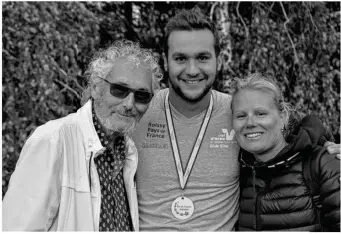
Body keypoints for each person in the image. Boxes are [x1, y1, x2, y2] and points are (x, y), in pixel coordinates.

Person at [131, 8, 340, 231]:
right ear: (165, 61)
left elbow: (297, 132)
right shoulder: (136, 110)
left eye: (203, 58)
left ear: (218, 61)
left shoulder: (237, 110)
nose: (192, 70)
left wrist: (329, 148)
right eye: (180, 58)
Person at [2, 40, 163, 231]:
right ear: (95, 87)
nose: (129, 104)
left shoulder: (128, 153)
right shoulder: (53, 140)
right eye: (119, 90)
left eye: (142, 96)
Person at [231, 73, 340, 231]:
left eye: (260, 113)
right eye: (241, 115)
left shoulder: (323, 163)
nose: (250, 123)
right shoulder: (241, 172)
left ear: (282, 117)